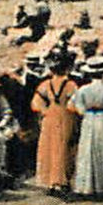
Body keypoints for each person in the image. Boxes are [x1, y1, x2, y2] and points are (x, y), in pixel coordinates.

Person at [67, 57, 103, 197]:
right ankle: (101, 185)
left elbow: (77, 106)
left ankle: (86, 185)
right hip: (101, 119)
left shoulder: (83, 89)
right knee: (102, 148)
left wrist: (84, 112)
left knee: (87, 149)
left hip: (88, 119)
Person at [32, 55, 78, 195]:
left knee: (49, 147)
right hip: (65, 116)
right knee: (63, 147)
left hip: (50, 116)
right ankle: (63, 181)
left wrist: (44, 110)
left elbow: (35, 103)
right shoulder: (71, 85)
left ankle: (51, 182)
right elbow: (74, 103)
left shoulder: (45, 84)